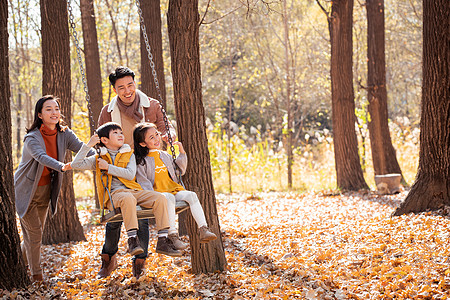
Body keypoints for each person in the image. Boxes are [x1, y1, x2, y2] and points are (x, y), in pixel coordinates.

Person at [97, 66, 178, 279]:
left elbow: (163, 128)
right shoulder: (107, 112)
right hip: (118, 169)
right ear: (115, 89)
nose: (127, 91)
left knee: (142, 218)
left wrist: (169, 137)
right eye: (121, 87)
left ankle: (140, 261)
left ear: (135, 83)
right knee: (115, 220)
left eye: (130, 85)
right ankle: (108, 257)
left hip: (142, 169)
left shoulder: (151, 105)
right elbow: (101, 140)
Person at [71, 122, 181, 264]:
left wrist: (109, 167)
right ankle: (132, 239)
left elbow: (130, 175)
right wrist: (88, 146)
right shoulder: (98, 158)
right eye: (115, 133)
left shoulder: (129, 154)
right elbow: (75, 165)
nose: (120, 135)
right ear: (104, 140)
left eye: (121, 132)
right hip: (114, 195)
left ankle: (162, 240)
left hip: (133, 190)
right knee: (128, 198)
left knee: (160, 198)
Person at [14, 95, 93, 282]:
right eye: (48, 109)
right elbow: (41, 156)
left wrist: (103, 156)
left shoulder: (65, 134)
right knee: (35, 235)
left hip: (45, 192)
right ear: (40, 115)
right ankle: (36, 276)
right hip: (26, 191)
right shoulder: (31, 138)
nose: (54, 112)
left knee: (33, 235)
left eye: (56, 108)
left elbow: (82, 148)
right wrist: (62, 166)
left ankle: (16, 264)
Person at [133, 123, 217, 250]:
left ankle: (203, 229)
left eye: (157, 134)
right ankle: (172, 235)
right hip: (157, 194)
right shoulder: (141, 161)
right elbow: (143, 182)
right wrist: (152, 196)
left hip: (173, 189)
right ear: (143, 143)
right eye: (151, 138)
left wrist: (182, 153)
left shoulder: (164, 155)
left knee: (191, 195)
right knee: (169, 198)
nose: (156, 139)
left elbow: (179, 170)